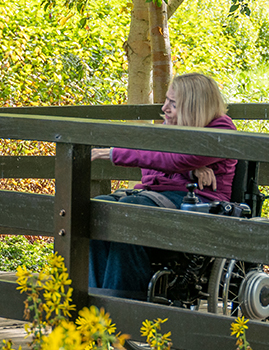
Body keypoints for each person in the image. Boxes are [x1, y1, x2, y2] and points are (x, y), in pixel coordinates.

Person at [86, 73, 236, 302]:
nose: (164, 108)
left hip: (199, 204)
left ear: (193, 107)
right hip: (156, 195)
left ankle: (124, 305)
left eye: (173, 104)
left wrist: (112, 153)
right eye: (166, 100)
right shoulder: (173, 124)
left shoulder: (221, 128)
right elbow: (150, 170)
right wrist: (189, 170)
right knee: (98, 208)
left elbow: (175, 160)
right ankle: (96, 300)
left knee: (130, 210)